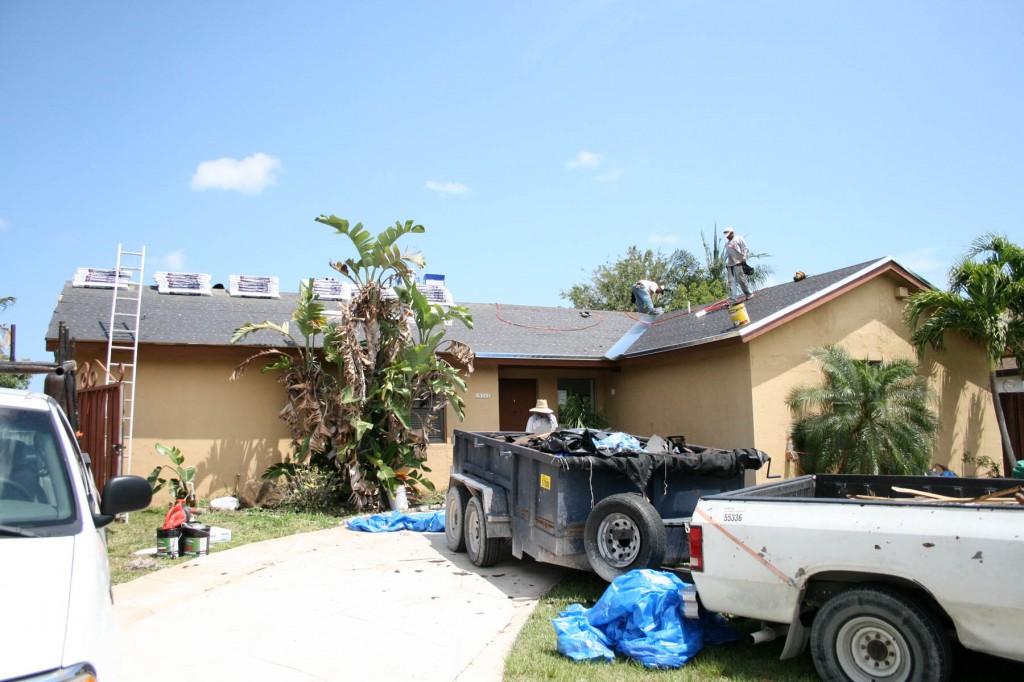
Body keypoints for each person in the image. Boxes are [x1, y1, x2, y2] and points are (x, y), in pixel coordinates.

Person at [723, 227, 753, 303]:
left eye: (728, 235)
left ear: (732, 233)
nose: (727, 237)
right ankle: (733, 299)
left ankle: (748, 294)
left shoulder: (738, 238)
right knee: (731, 282)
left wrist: (744, 256)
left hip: (738, 263)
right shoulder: (727, 243)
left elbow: (745, 248)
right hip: (730, 264)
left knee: (741, 280)